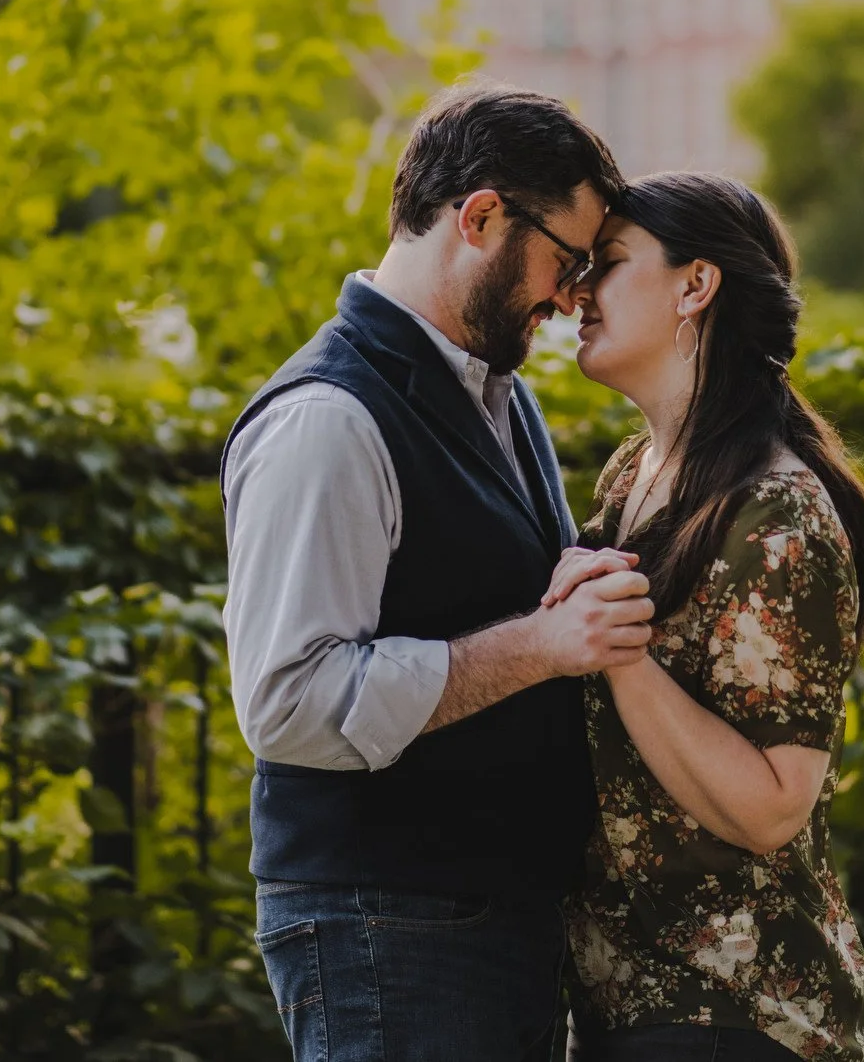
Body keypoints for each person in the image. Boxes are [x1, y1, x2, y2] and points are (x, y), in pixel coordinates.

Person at [220, 83, 654, 1062]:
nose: (570, 296)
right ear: (481, 215)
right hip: (391, 923)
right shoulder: (329, 417)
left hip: (476, 922)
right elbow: (288, 703)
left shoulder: (494, 390)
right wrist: (540, 644)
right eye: (566, 259)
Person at [546, 173, 864, 1060]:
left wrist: (620, 654)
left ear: (695, 286)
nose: (578, 291)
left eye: (610, 264)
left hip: (736, 1011)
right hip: (627, 999)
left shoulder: (776, 513)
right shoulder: (633, 475)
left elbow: (776, 805)